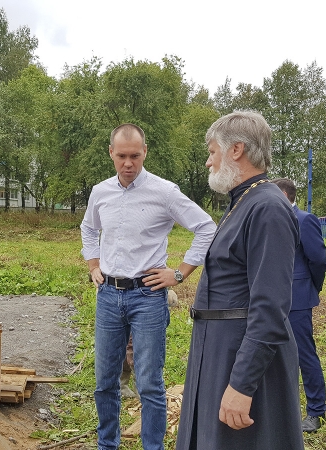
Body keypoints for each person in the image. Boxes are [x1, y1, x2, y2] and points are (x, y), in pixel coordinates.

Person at [80, 123, 216, 450]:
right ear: (111, 153)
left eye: (135, 156)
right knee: (105, 383)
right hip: (109, 295)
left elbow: (206, 227)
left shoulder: (164, 191)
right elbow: (88, 229)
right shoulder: (101, 192)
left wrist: (180, 274)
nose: (128, 163)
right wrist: (94, 265)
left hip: (148, 297)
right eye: (122, 156)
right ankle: (107, 445)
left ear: (145, 153)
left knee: (150, 384)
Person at [176, 111, 304, 449]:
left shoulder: (267, 208)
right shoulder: (244, 201)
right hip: (219, 348)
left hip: (238, 355)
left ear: (236, 150)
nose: (208, 161)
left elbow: (270, 308)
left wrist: (242, 384)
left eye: (212, 151)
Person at [272, 178, 326, 433]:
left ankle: (316, 411)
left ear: (284, 194)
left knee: (304, 354)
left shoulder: (305, 220)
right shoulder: (272, 220)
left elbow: (319, 260)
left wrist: (311, 287)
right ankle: (282, 409)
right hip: (272, 299)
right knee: (276, 355)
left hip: (298, 299)